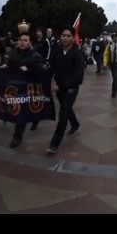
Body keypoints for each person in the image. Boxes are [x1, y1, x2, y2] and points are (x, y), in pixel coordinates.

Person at [45, 26, 85, 155]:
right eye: (63, 35)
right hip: (59, 87)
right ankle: (75, 124)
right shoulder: (56, 51)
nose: (65, 38)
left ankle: (54, 144)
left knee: (63, 115)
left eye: (68, 36)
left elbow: (78, 76)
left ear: (73, 38)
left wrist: (61, 86)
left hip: (71, 89)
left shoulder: (77, 54)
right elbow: (51, 68)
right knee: (66, 108)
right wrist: (48, 81)